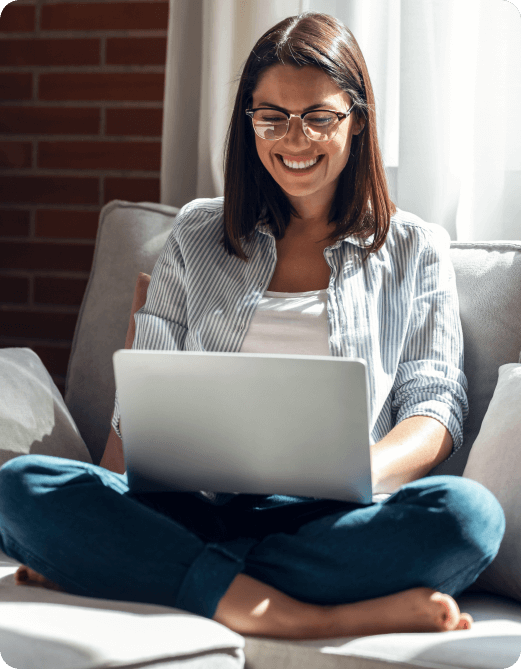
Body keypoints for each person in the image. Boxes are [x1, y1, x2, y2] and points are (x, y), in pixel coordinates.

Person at [0, 12, 505, 639]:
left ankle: (159, 576)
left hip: (329, 520)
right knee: (19, 487)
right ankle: (300, 613)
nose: (294, 139)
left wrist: (357, 473)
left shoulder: (414, 247)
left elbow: (433, 411)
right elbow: (141, 408)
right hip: (190, 508)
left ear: (357, 118)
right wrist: (102, 496)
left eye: (319, 116)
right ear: (250, 124)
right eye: (272, 117)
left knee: (468, 517)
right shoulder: (197, 232)